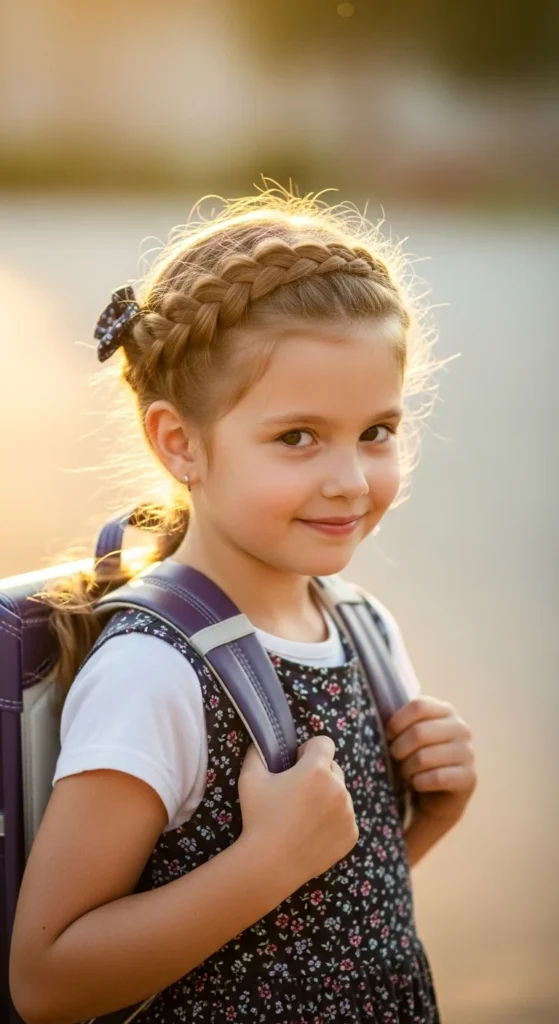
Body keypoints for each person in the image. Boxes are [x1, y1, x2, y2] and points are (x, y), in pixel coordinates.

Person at [9, 188, 477, 1024]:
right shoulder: (153, 672)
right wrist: (267, 860)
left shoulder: (361, 628)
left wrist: (430, 815)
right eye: (297, 436)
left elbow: (328, 926)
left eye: (375, 431)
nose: (348, 478)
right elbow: (48, 981)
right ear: (180, 443)